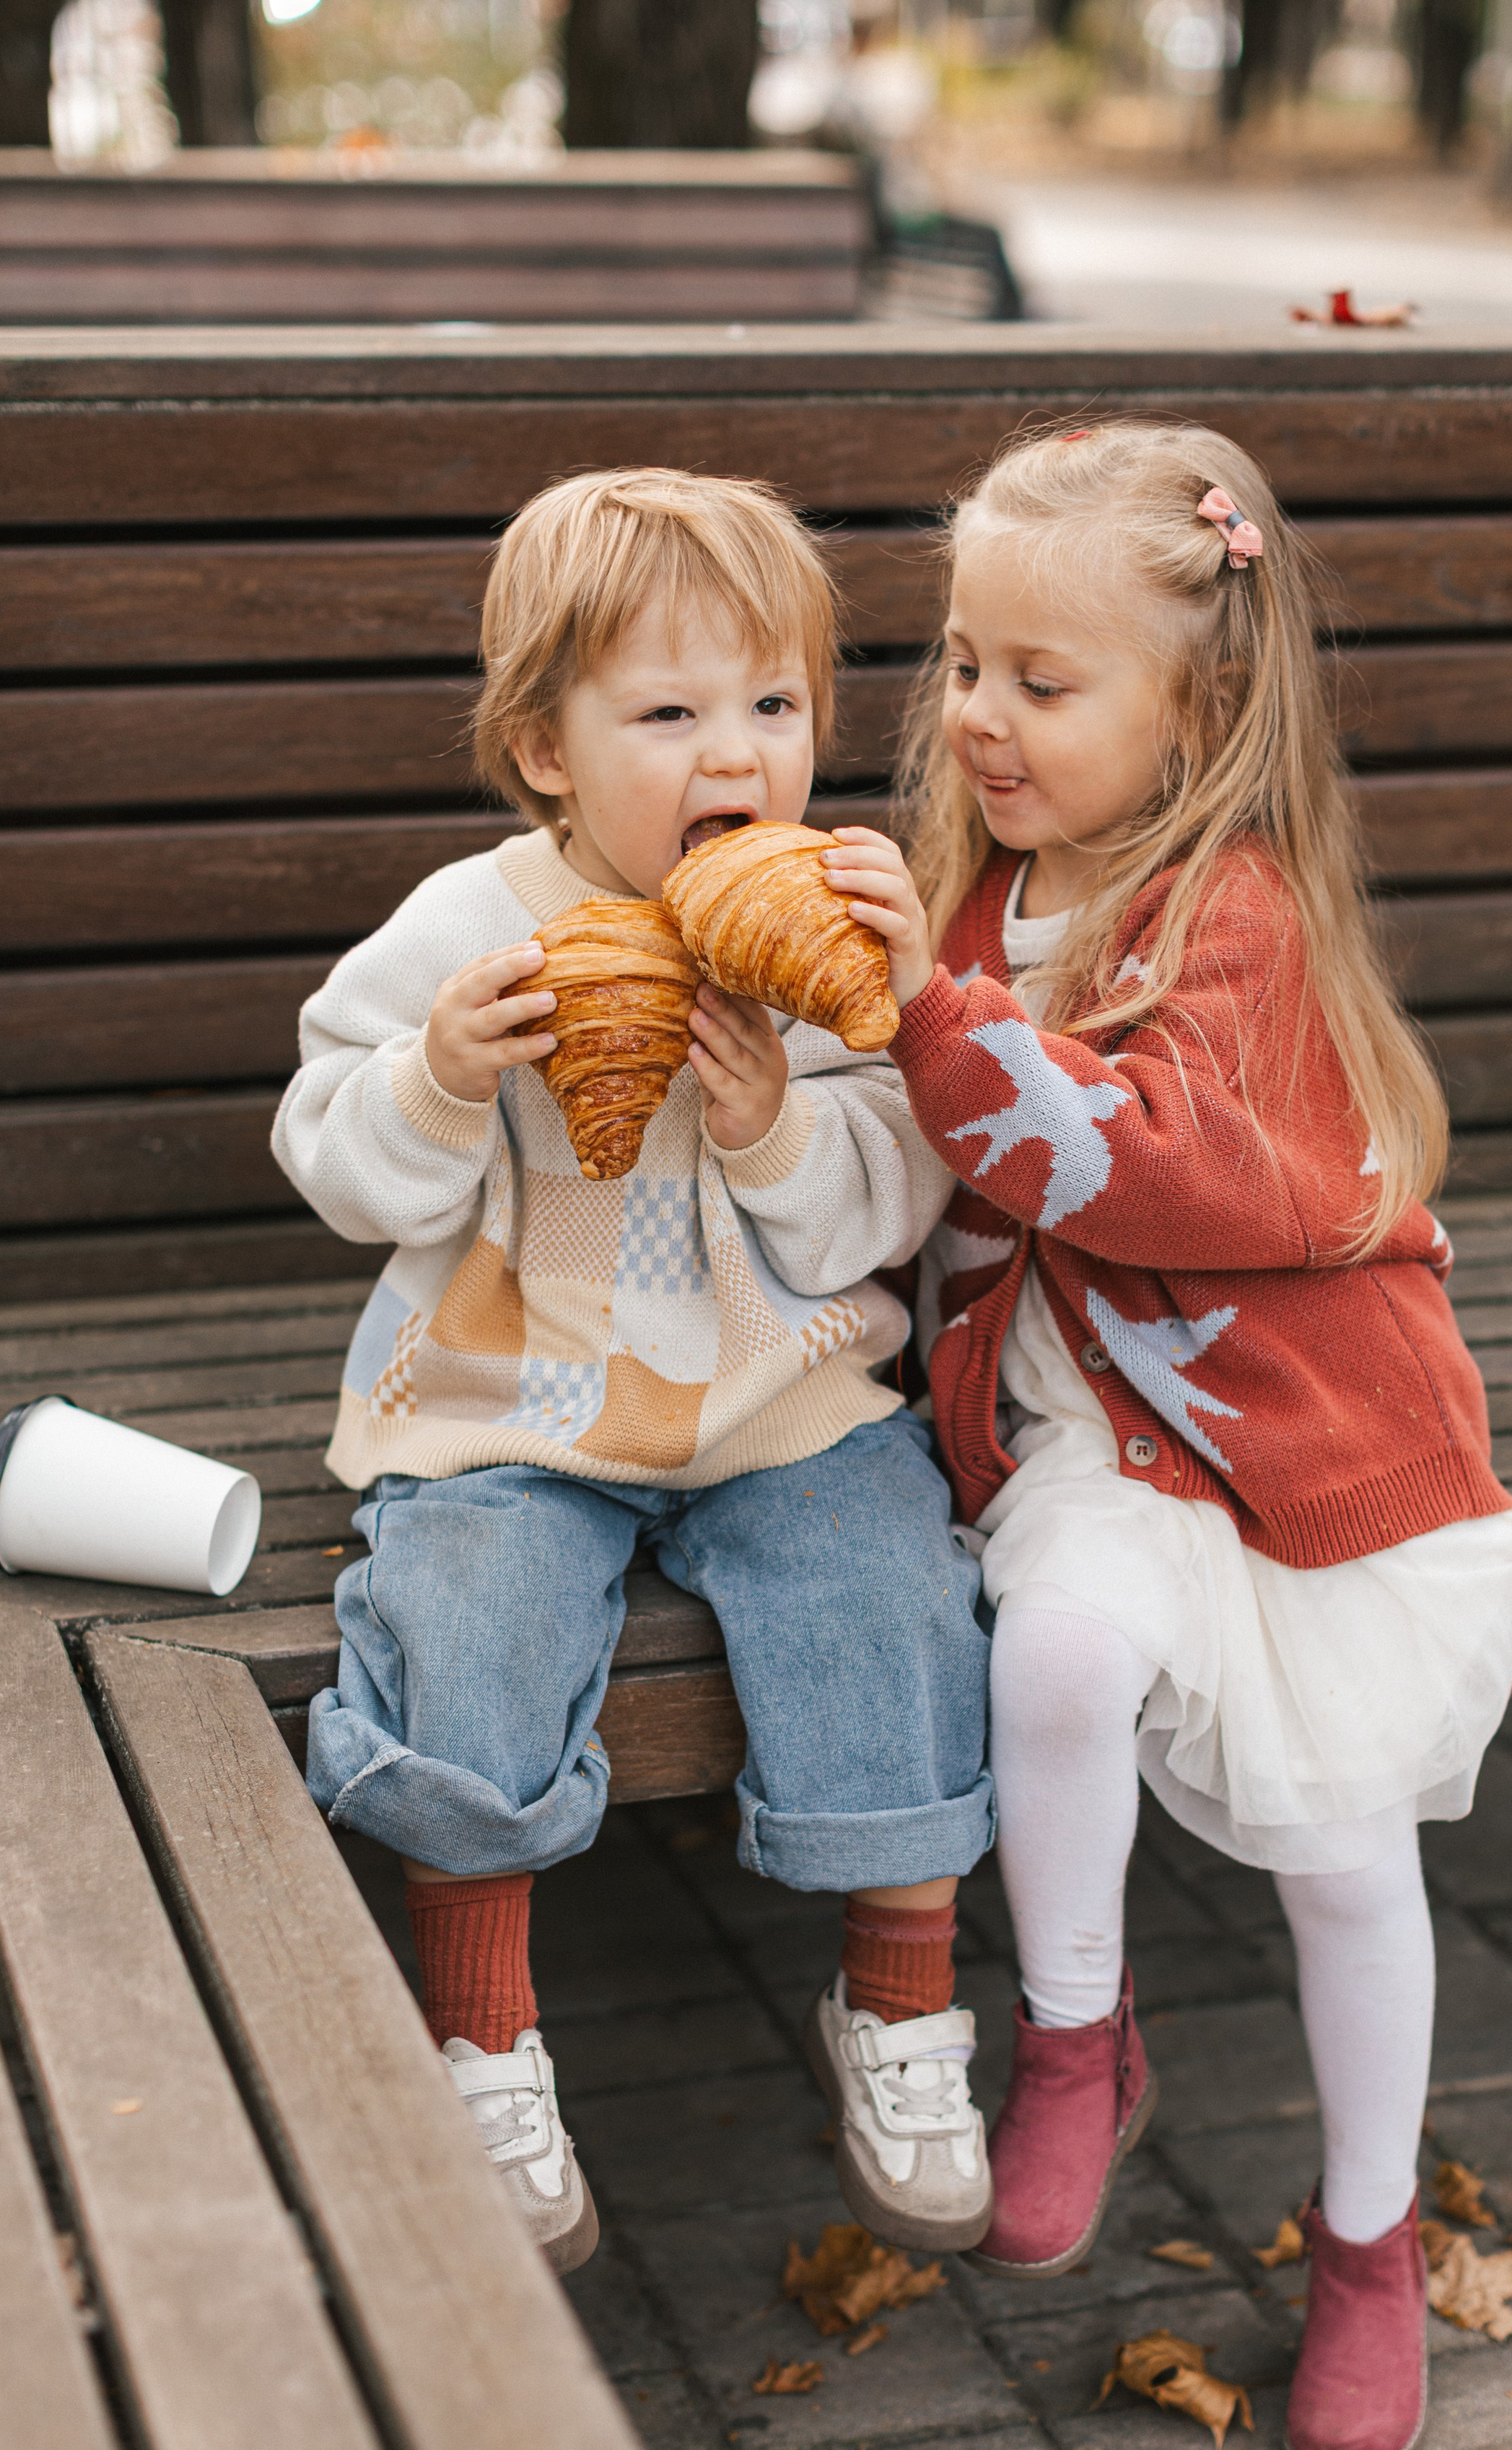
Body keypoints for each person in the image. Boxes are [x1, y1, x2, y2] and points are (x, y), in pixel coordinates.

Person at [819, 419, 1512, 2450]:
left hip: (1299, 1448)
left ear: (1197, 705)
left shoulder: (1229, 916)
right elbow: (949, 1194)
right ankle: (1075, 2032)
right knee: (1050, 1657)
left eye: (1042, 684)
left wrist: (930, 1028)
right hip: (1095, 1434)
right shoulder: (969, 898)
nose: (978, 716)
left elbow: (1152, 1173)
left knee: (1343, 1846)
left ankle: (1367, 2244)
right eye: (964, 662)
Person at [272, 468, 996, 2277]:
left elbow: (903, 1179)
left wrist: (776, 1133)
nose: (729, 752)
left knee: (893, 1583)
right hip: (519, 1396)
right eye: (665, 713)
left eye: (769, 705)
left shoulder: (837, 920)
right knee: (464, 1605)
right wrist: (436, 1077)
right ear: (544, 751)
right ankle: (480, 2033)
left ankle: (899, 2004)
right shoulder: (470, 927)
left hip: (775, 1393)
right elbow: (332, 1158)